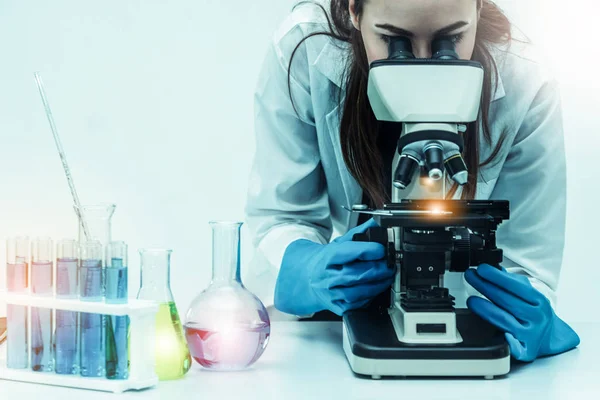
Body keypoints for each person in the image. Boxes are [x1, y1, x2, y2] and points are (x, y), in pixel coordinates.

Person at [243, 0, 580, 362]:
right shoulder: (306, 49)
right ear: (355, 11)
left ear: (479, 8)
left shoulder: (524, 81)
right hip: (328, 336)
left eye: (449, 39)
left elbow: (526, 264)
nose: (424, 64)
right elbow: (282, 217)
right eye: (393, 40)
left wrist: (527, 309)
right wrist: (305, 269)